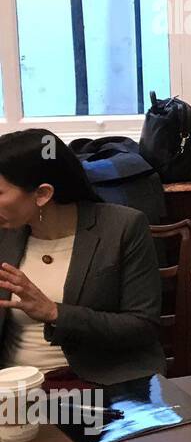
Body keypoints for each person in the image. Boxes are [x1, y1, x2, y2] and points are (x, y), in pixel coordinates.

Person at [0, 129, 165, 385]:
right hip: (12, 388)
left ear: (42, 194)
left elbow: (142, 326)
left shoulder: (122, 227)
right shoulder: (5, 233)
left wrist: (54, 312)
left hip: (99, 382)